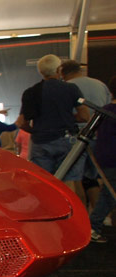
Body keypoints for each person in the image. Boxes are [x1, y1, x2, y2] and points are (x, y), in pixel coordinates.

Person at [16, 54, 88, 199]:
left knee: (43, 185)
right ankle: (76, 219)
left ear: (41, 72)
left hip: (40, 141)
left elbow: (21, 122)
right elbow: (84, 116)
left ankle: (48, 218)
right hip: (66, 139)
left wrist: (36, 130)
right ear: (59, 69)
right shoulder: (70, 89)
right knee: (70, 183)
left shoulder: (31, 92)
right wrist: (67, 118)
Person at [60, 59, 113, 214]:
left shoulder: (67, 88)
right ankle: (99, 215)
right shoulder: (100, 85)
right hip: (99, 137)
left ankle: (80, 216)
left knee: (75, 179)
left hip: (75, 138)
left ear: (63, 73)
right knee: (95, 178)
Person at [86, 76, 116, 243]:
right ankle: (93, 226)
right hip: (112, 159)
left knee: (108, 193)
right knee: (109, 194)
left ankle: (94, 226)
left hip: (104, 158)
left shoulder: (105, 110)